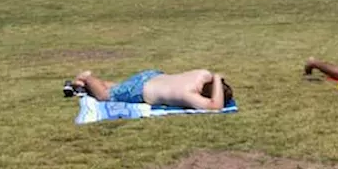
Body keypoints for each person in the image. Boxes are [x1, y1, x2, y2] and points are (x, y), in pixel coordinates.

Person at [73, 68, 233, 110]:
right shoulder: (188, 94)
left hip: (151, 76)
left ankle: (85, 85)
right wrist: (218, 80)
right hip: (141, 90)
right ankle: (87, 77)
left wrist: (217, 77)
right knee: (105, 96)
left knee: (119, 87)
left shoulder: (203, 74)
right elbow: (215, 106)